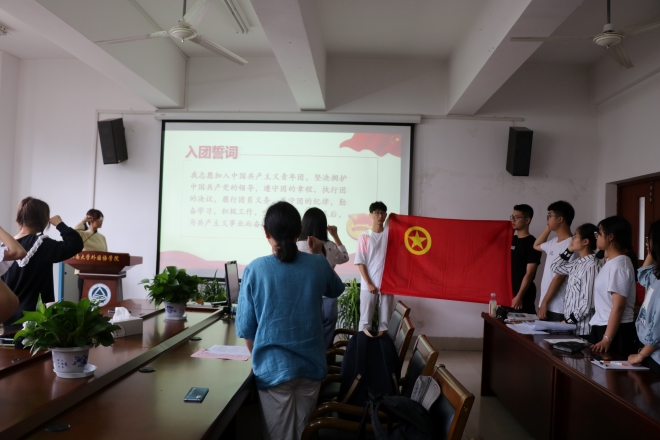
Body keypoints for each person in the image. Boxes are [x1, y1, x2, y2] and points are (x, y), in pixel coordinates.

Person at [236, 202, 345, 440]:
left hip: (273, 369)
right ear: (300, 232)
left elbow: (247, 331)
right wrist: (318, 254)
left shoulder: (255, 269)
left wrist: (262, 361)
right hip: (311, 367)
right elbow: (336, 289)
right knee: (303, 432)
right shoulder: (318, 264)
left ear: (266, 232)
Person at [1, 197, 83, 326]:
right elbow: (75, 244)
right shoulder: (42, 244)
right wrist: (59, 224)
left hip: (9, 319)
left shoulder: (4, 249)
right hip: (38, 321)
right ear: (43, 219)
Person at [297, 207, 350, 349]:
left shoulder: (297, 246)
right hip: (329, 299)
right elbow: (345, 257)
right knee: (325, 345)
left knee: (306, 340)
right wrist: (335, 235)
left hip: (305, 299)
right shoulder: (330, 246)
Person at [590, 216, 638, 357]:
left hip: (615, 331)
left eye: (599, 233)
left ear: (610, 237)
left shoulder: (620, 265)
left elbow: (618, 306)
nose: (596, 237)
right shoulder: (611, 262)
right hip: (603, 326)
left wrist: (607, 339)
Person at [550, 223, 601, 339]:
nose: (572, 239)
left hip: (583, 329)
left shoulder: (592, 266)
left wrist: (568, 321)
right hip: (572, 326)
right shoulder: (578, 262)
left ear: (585, 241)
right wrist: (569, 250)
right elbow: (555, 267)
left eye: (575, 236)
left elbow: (587, 303)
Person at [533, 201, 575, 321]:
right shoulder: (553, 241)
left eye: (549, 216)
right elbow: (536, 245)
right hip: (546, 304)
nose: (547, 219)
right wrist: (549, 227)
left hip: (558, 307)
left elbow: (559, 277)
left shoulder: (571, 244)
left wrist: (545, 302)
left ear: (560, 219)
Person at [355, 201, 392, 332]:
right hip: (368, 285)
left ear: (386, 215)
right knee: (365, 320)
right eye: (376, 213)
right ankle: (363, 344)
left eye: (382, 213)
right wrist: (369, 283)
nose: (380, 216)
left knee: (385, 321)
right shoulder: (364, 236)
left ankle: (383, 345)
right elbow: (361, 262)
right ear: (371, 215)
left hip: (387, 284)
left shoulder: (390, 235)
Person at [629, 220, 660, 374]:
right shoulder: (656, 273)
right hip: (647, 350)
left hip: (654, 355)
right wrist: (652, 251)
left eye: (649, 239)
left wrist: (641, 355)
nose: (646, 243)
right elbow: (642, 275)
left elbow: (658, 328)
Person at [510, 204, 542, 314]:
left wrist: (519, 296)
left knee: (522, 324)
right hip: (508, 293)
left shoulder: (533, 243)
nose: (513, 220)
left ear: (527, 220)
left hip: (523, 296)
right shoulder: (510, 240)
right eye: (512, 217)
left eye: (516, 217)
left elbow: (530, 273)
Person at [73, 209, 108, 298]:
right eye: (100, 219)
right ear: (92, 220)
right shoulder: (83, 234)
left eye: (102, 219)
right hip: (84, 273)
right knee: (83, 299)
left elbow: (106, 255)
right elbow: (72, 232)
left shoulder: (102, 237)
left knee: (98, 300)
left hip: (99, 273)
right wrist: (84, 221)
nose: (102, 221)